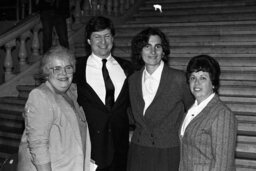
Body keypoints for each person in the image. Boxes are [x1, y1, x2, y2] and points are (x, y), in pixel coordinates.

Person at [127, 27, 194, 171]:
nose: (153, 52)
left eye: (157, 47)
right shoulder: (132, 80)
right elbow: (130, 113)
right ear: (140, 51)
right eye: (147, 46)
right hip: (138, 150)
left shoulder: (179, 78)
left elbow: (194, 112)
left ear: (163, 51)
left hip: (168, 151)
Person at [74, 16, 134, 171]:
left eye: (107, 36)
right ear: (88, 40)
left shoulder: (128, 68)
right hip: (90, 149)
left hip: (121, 151)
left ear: (113, 39)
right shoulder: (76, 69)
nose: (103, 42)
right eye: (97, 37)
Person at [17, 46, 91, 171]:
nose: (64, 73)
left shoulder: (71, 93)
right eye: (57, 68)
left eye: (68, 67)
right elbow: (38, 145)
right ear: (47, 73)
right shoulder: (40, 96)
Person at [179, 55, 237, 171]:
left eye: (203, 78)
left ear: (213, 83)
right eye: (193, 78)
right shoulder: (192, 110)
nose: (196, 83)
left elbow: (223, 165)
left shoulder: (222, 114)